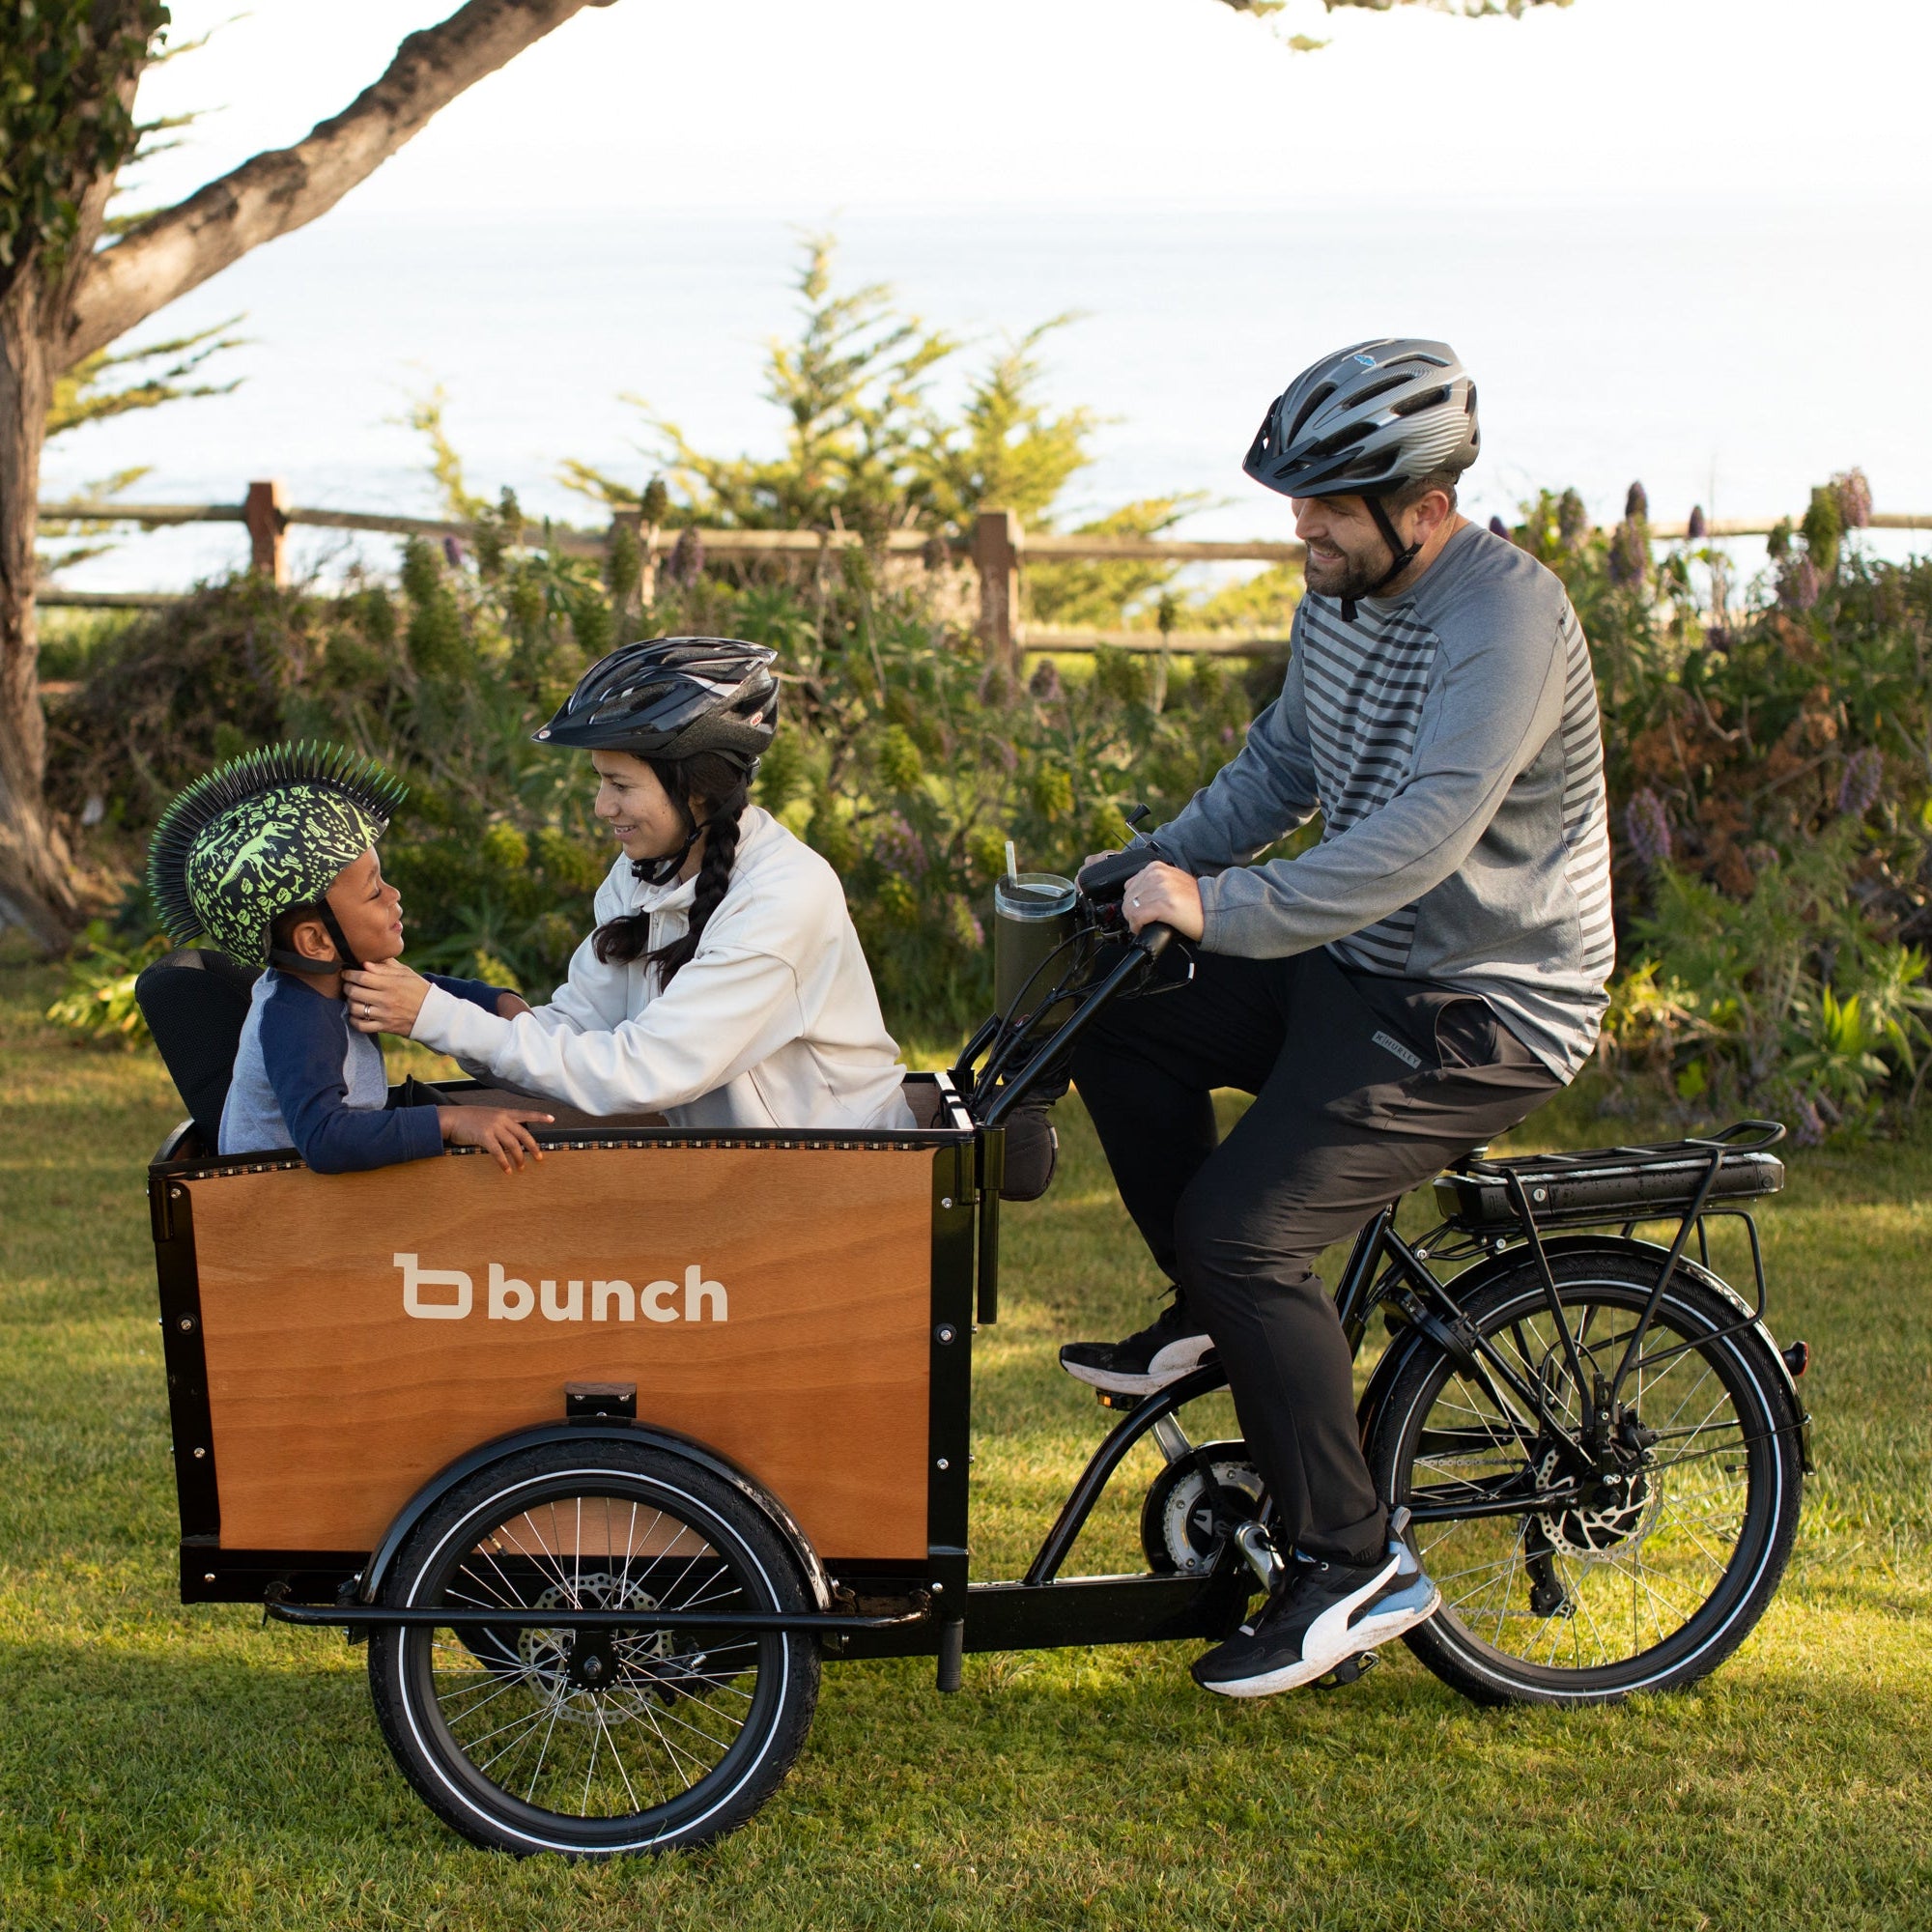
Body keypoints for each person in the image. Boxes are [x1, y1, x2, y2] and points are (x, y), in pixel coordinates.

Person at [1059, 339, 1614, 1697]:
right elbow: (1281, 771)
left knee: (1247, 1229)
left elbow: (1427, 834)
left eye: (1327, 504)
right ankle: (1215, 1313)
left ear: (1425, 508)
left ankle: (1351, 1561)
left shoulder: (1506, 627)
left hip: (1483, 1005)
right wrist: (1144, 872)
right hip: (1359, 960)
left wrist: (1221, 912)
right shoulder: (1344, 595)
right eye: (1295, 499)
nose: (1299, 526)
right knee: (1116, 1017)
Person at [342, 637, 915, 1131]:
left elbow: (641, 1072)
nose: (601, 807)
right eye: (599, 781)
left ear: (696, 787)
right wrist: (440, 1007)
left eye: (619, 783)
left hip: (853, 1177)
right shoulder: (644, 871)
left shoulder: (782, 900)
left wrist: (435, 1016)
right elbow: (581, 1027)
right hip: (746, 1172)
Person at [146, 742, 553, 1174]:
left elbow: (432, 993)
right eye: (375, 891)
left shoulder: (344, 972)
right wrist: (450, 1120)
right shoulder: (296, 1017)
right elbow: (325, 1140)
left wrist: (502, 1005)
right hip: (279, 1203)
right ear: (315, 942)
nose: (394, 896)